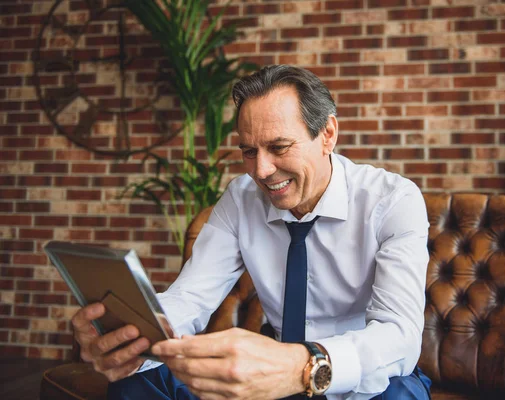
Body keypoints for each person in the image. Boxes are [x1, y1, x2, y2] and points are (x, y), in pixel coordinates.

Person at [71, 65, 431, 400]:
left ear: (327, 134)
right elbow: (191, 296)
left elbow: (397, 335)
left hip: (361, 379)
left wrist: (302, 365)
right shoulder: (241, 199)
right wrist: (135, 337)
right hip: (266, 374)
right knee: (136, 383)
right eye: (248, 151)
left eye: (278, 147)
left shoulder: (393, 200)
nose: (261, 170)